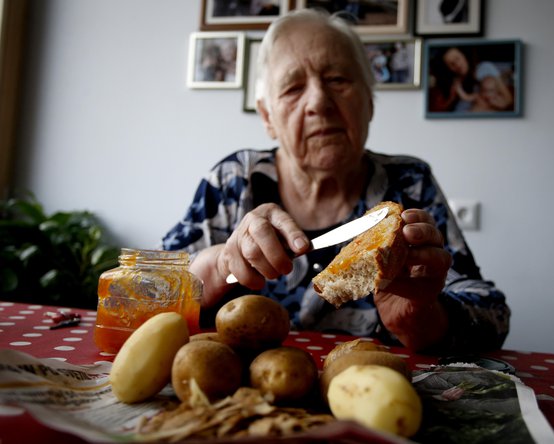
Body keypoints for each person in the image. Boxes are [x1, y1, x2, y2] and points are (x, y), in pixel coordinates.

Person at [160, 9, 510, 353]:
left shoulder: (409, 183)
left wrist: (420, 317)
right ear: (268, 116)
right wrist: (217, 267)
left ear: (369, 102)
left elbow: (492, 314)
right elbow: (144, 296)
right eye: (293, 88)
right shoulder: (233, 181)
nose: (319, 102)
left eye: (338, 80)